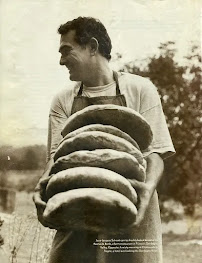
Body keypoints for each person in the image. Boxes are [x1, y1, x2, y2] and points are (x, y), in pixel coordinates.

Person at [33, 16, 175, 263]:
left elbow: (157, 153)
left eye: (66, 51)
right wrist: (43, 186)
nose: (61, 61)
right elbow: (56, 157)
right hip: (78, 202)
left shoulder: (140, 89)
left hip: (133, 202)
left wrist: (144, 194)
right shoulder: (63, 100)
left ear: (92, 47)